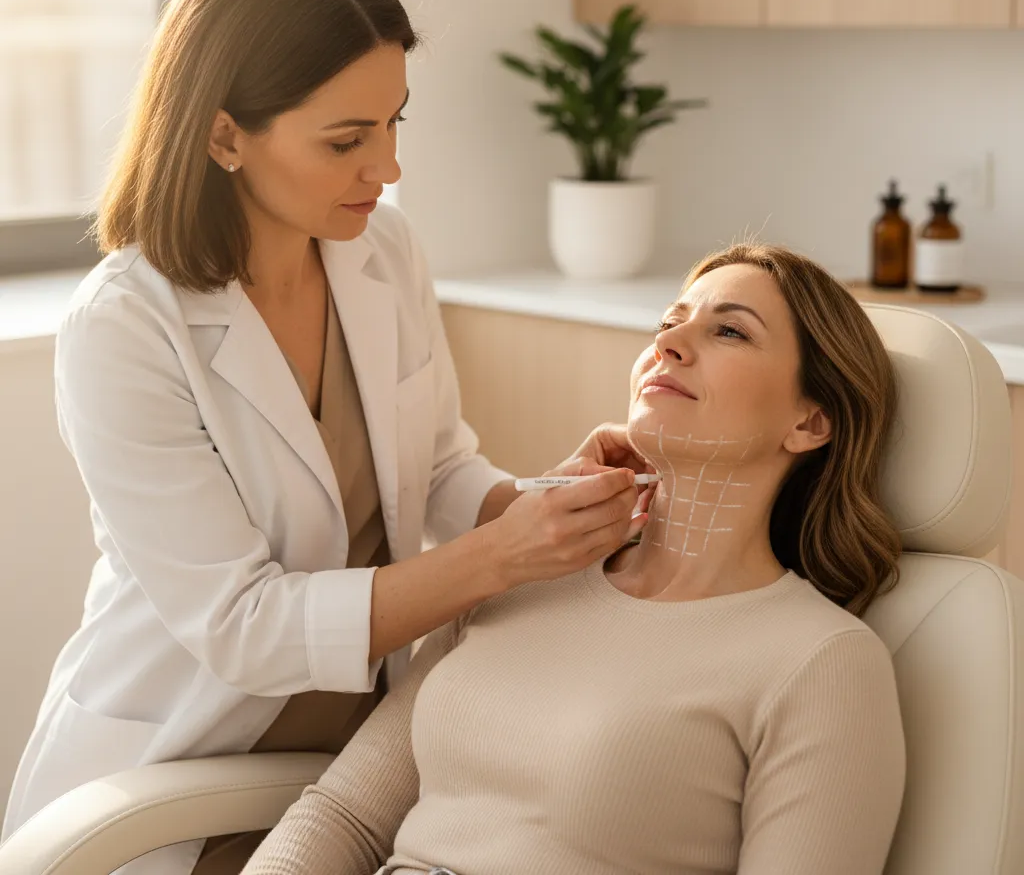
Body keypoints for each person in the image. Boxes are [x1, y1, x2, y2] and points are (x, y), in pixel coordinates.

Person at [0, 0, 651, 875]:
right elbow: (244, 628)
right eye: (347, 140)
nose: (385, 169)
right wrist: (502, 558)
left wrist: (540, 504)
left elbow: (439, 469)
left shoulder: (381, 250)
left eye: (395, 125)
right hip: (179, 766)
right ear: (224, 135)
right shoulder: (126, 327)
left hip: (357, 762)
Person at [242, 242, 908, 875]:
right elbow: (345, 817)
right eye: (668, 323)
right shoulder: (522, 569)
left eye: (729, 332)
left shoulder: (820, 664)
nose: (667, 344)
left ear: (809, 423)